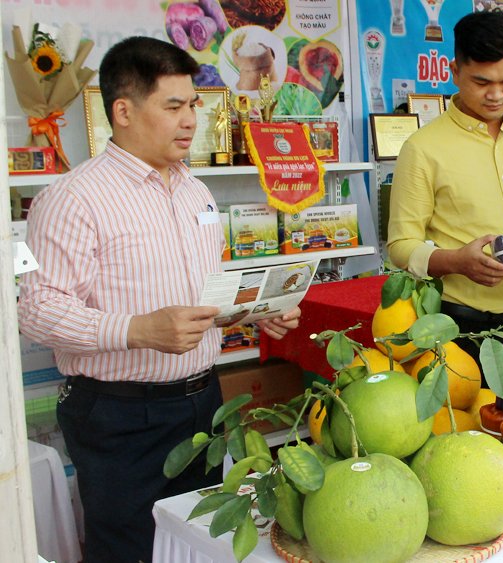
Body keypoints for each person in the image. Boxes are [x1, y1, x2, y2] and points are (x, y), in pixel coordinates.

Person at [17, 36, 301, 563]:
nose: (191, 119)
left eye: (192, 103)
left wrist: (251, 312)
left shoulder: (195, 190)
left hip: (201, 402)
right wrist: (137, 330)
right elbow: (36, 310)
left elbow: (195, 293)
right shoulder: (74, 198)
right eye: (173, 106)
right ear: (122, 111)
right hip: (120, 413)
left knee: (196, 539)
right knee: (131, 546)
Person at [387, 10, 503, 342]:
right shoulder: (422, 148)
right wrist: (456, 262)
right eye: (482, 82)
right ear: (456, 73)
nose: (496, 95)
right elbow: (402, 246)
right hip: (465, 323)